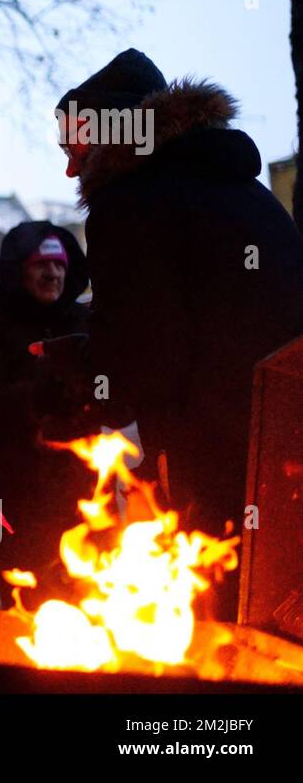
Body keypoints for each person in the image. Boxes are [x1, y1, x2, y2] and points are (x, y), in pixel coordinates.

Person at [59, 48, 303, 619]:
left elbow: (147, 357)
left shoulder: (128, 203)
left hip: (212, 455)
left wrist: (80, 371)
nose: (70, 169)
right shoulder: (248, 193)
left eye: (72, 146)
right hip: (284, 448)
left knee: (218, 624)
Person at [0, 221, 93, 607]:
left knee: (90, 610)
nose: (53, 273)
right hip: (15, 501)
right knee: (24, 614)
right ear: (18, 270)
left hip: (83, 498)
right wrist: (32, 398)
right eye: (41, 264)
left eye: (60, 265)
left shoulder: (84, 325)